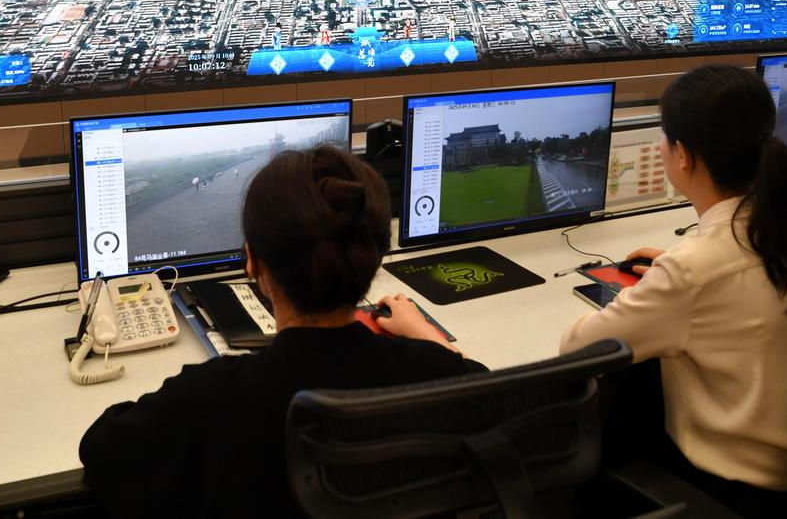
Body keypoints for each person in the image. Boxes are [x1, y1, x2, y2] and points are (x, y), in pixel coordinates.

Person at [80, 145, 485, 517]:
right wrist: (428, 335)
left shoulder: (209, 396)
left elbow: (100, 450)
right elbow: (488, 391)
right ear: (375, 257)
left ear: (252, 262)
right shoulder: (434, 375)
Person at [560, 65, 787, 516]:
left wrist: (663, 288)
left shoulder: (692, 270)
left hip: (741, 494)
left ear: (682, 154)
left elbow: (578, 351)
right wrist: (676, 278)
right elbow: (729, 281)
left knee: (615, 403)